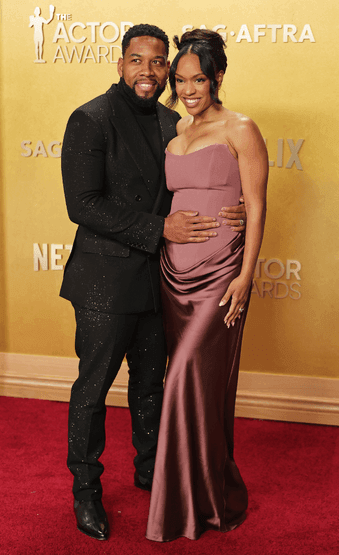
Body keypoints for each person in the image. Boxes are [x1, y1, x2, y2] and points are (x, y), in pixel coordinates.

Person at [59, 24, 248, 542]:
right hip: (103, 281)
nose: (149, 71)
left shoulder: (173, 120)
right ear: (120, 64)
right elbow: (83, 205)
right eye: (137, 60)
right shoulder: (90, 119)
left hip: (160, 278)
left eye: (158, 62)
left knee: (150, 385)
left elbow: (193, 180)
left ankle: (150, 471)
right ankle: (86, 491)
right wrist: (158, 229)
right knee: (93, 388)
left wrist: (231, 210)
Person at [146, 29, 269, 542]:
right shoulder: (174, 132)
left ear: (217, 78)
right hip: (173, 274)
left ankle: (184, 506)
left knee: (187, 379)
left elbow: (258, 206)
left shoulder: (241, 128)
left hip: (221, 272)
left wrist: (246, 276)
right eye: (181, 79)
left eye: (199, 79)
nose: (189, 88)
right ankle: (208, 491)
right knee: (196, 388)